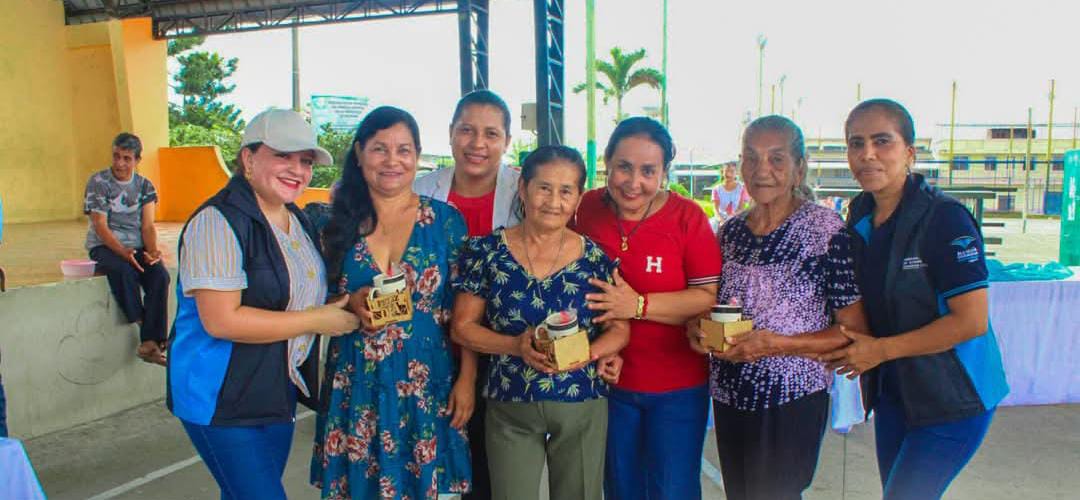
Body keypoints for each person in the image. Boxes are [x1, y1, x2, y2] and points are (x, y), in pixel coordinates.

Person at [821, 99, 1009, 500]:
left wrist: (880, 351)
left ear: (909, 152)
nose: (867, 154)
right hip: (895, 394)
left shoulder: (945, 218)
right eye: (856, 143)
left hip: (952, 398)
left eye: (882, 141)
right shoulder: (859, 218)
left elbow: (970, 321)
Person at [167, 108, 359, 499]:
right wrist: (316, 321)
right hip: (220, 397)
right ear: (248, 158)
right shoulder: (217, 222)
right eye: (283, 156)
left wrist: (345, 304)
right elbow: (222, 321)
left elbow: (293, 294)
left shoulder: (296, 220)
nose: (297, 170)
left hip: (275, 388)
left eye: (306, 161)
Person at [687, 115, 868, 500]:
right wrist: (699, 329)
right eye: (751, 158)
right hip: (730, 393)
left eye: (776, 159)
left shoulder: (825, 230)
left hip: (792, 396)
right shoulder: (730, 232)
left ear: (799, 168)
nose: (761, 170)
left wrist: (776, 344)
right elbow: (713, 305)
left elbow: (853, 331)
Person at [450, 145, 629, 500]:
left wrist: (590, 353)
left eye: (566, 191)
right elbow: (462, 327)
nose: (554, 201)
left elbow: (620, 328)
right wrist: (514, 346)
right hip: (510, 404)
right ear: (523, 188)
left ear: (578, 197)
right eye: (544, 188)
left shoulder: (595, 258)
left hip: (581, 402)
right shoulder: (487, 252)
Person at [313, 106, 473, 499]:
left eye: (403, 150)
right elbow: (312, 300)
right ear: (359, 153)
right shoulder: (332, 223)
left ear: (417, 155)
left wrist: (467, 380)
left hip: (427, 383)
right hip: (356, 381)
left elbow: (466, 311)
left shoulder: (445, 221)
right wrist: (349, 302)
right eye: (379, 149)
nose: (392, 160)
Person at [573, 117, 721, 500]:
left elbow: (706, 297)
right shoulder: (585, 209)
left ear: (663, 172)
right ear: (607, 162)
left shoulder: (687, 218)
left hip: (677, 388)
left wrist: (636, 305)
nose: (633, 182)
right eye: (623, 167)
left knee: (673, 490)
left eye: (648, 171)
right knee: (620, 489)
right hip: (607, 383)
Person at [413, 89, 520, 499]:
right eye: (467, 130)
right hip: (431, 353)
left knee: (487, 472)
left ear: (506, 141)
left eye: (491, 134)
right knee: (433, 471)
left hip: (501, 351)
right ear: (450, 133)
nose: (477, 144)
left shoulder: (525, 193)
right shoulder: (420, 192)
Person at [83, 133, 170, 365]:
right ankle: (147, 331)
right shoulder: (98, 182)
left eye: (127, 158)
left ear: (137, 160)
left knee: (160, 275)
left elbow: (147, 226)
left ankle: (150, 344)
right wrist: (123, 252)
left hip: (136, 245)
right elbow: (100, 225)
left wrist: (152, 252)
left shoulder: (145, 186)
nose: (120, 163)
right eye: (116, 156)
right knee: (124, 270)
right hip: (105, 246)